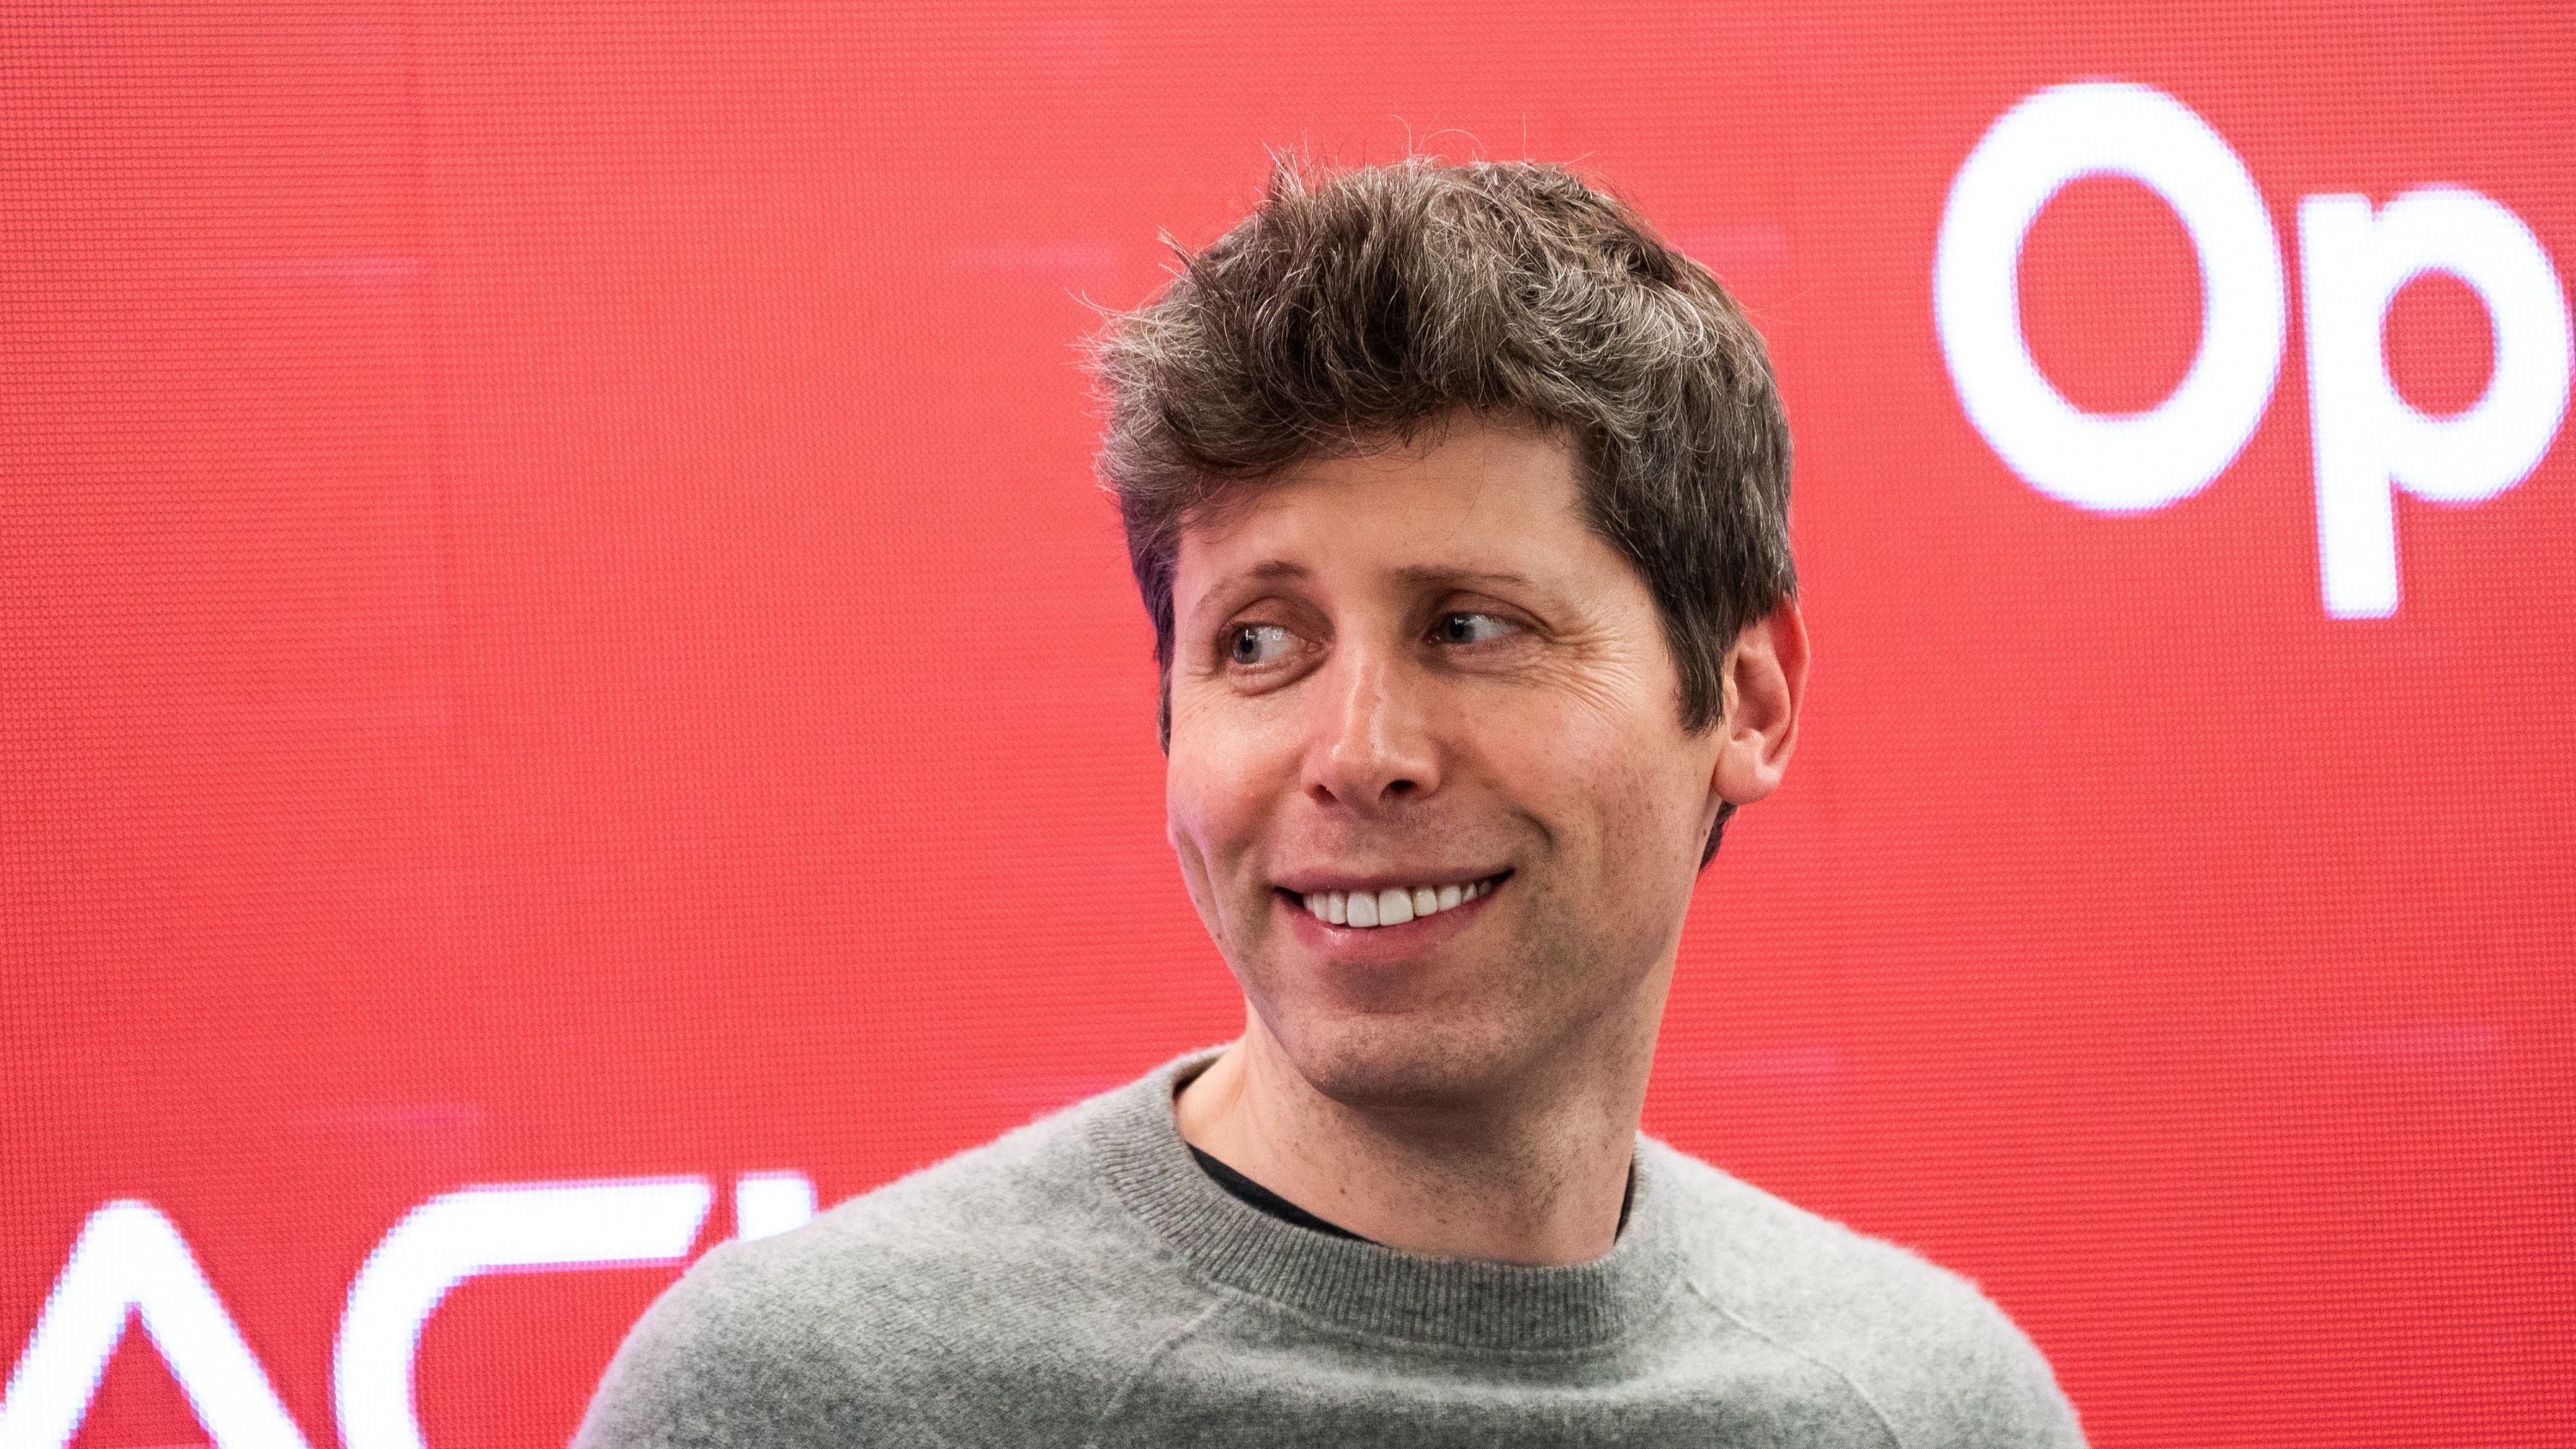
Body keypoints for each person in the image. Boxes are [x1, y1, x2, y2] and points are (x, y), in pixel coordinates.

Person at [574, 158, 2087, 1447]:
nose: (1356, 752)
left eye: (1472, 627)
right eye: (1259, 643)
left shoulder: (1931, 1408)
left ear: (1747, 699)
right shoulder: (812, 1404)